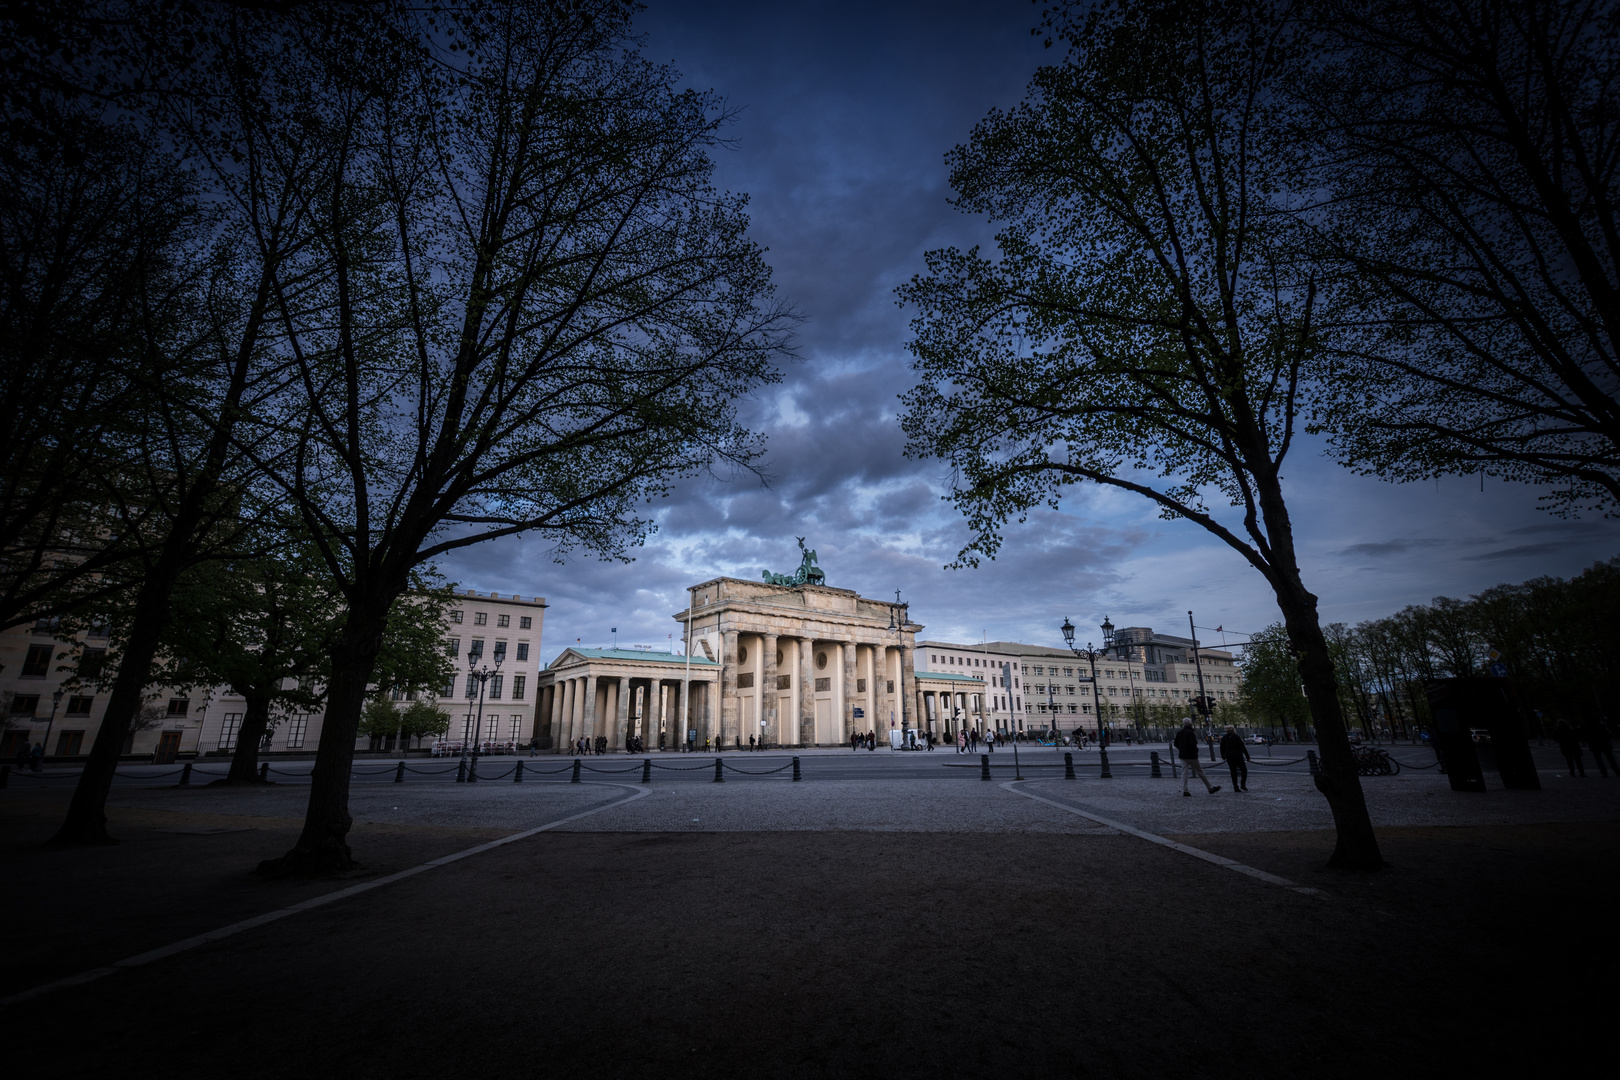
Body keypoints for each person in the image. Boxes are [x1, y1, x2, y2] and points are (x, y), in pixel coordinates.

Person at [1174, 719, 1220, 796]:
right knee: (1200, 772)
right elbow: (1193, 744)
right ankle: (1210, 788)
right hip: (1191, 755)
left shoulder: (1180, 732)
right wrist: (1195, 752)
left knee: (1184, 772)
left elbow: (1176, 743)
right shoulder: (1191, 733)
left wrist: (1181, 748)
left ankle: (1185, 789)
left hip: (1182, 755)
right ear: (1190, 724)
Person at [1219, 725, 1251, 792]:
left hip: (1229, 757)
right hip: (1238, 756)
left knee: (1233, 772)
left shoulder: (1224, 738)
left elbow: (1222, 748)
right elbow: (1243, 747)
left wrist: (1223, 756)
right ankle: (1243, 784)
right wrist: (1247, 756)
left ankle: (1235, 787)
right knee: (1244, 770)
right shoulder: (1236, 737)